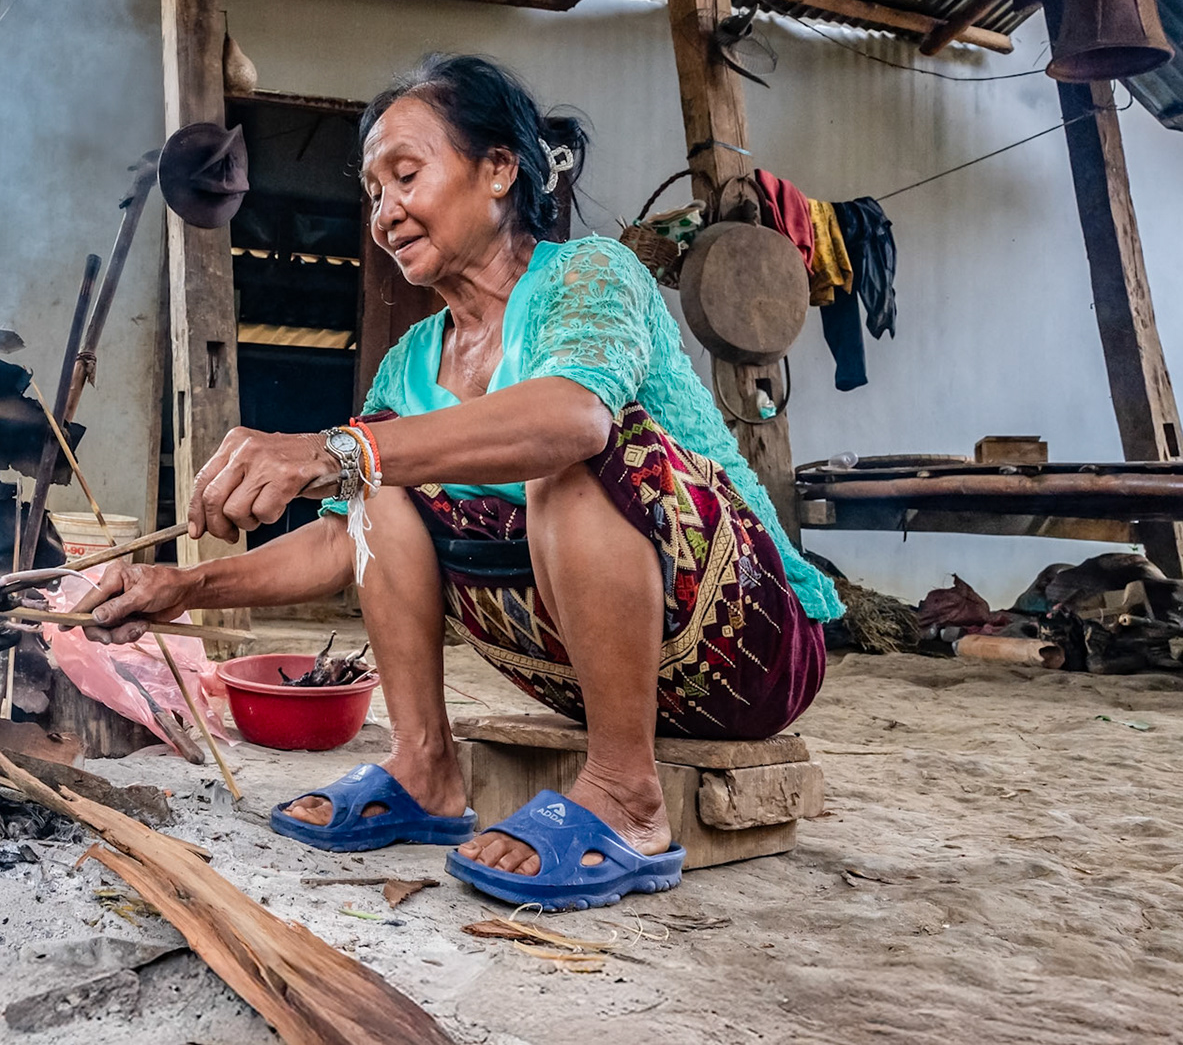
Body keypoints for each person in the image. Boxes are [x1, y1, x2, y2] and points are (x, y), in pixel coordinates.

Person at [76, 54, 841, 911]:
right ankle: (425, 768)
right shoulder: (410, 363)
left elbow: (574, 421)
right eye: (372, 192)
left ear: (499, 170)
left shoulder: (589, 275)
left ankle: (626, 794)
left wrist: (337, 449)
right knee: (381, 479)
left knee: (546, 445)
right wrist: (186, 585)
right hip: (571, 663)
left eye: (406, 174)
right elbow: (344, 538)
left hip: (749, 648)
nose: (385, 211)